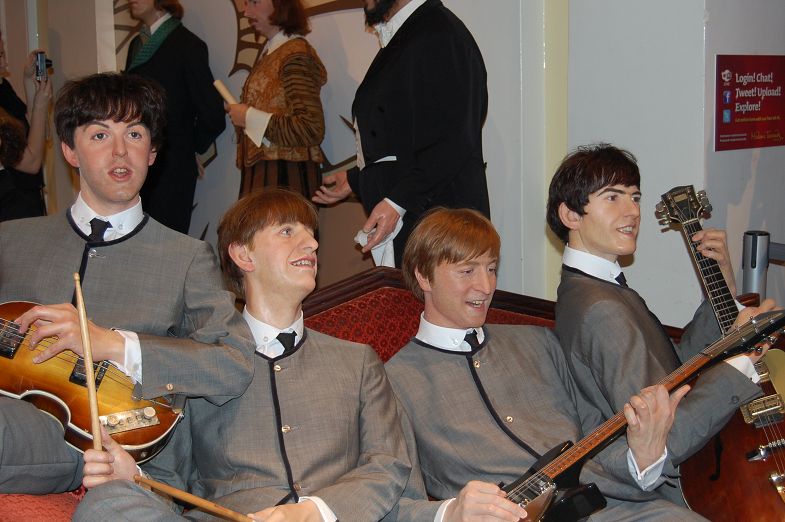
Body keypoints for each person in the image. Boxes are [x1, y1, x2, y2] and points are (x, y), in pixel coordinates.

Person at [74, 189, 522, 522]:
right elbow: (171, 484)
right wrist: (134, 477)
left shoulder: (358, 362)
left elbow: (389, 468)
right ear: (242, 254)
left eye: (311, 234)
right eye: (288, 232)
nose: (310, 244)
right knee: (109, 504)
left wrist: (316, 510)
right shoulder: (197, 363)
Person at [0, 72, 255, 495]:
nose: (120, 151)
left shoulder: (187, 257)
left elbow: (234, 363)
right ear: (69, 150)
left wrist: (114, 344)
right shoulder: (11, 240)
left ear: (152, 152)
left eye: (134, 134)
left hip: (115, 442)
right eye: (100, 135)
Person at [385, 207, 707, 521]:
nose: (485, 286)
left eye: (491, 269)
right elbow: (392, 503)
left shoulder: (540, 342)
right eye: (467, 271)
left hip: (608, 507)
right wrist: (450, 513)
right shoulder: (394, 383)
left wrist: (642, 457)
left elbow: (596, 438)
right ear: (424, 276)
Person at [546, 144, 774, 482]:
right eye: (613, 197)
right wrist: (742, 359)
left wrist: (722, 291)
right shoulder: (602, 308)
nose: (632, 211)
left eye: (635, 197)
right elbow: (667, 438)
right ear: (571, 216)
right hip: (668, 486)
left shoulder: (595, 287)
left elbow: (672, 372)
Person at [313, 0, 489, 268]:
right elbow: (402, 135)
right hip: (420, 221)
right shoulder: (415, 31)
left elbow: (452, 139)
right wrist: (356, 179)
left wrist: (397, 202)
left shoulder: (440, 35)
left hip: (438, 231)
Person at [125, 0, 226, 234]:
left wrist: (189, 147)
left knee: (166, 245)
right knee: (134, 240)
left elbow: (212, 113)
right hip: (136, 162)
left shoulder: (187, 45)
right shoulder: (137, 44)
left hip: (171, 169)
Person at [226, 0, 327, 199]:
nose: (246, 12)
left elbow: (311, 128)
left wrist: (248, 117)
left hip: (286, 178)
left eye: (254, 2)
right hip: (269, 177)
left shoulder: (295, 55)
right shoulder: (275, 52)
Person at [0, 36, 52, 221]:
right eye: (0, 55)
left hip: (26, 195)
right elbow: (30, 163)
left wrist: (29, 82)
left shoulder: (3, 87)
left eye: (3, 53)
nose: (4, 62)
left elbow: (35, 130)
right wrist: (40, 106)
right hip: (11, 202)